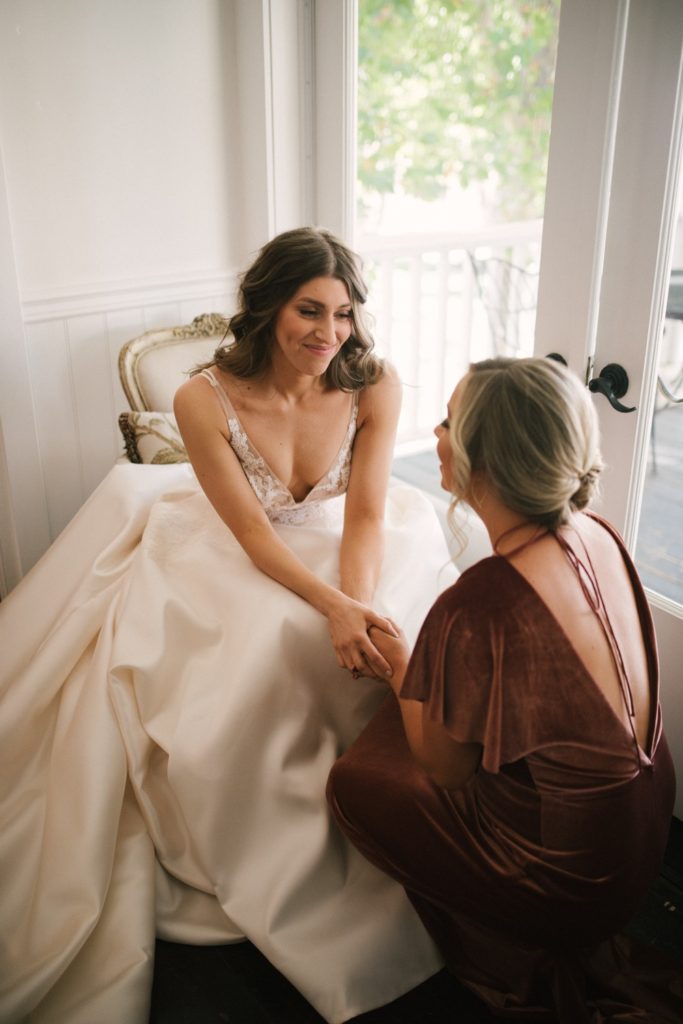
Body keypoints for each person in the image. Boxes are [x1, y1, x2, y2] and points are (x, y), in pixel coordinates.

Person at [0, 227, 455, 1024]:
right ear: (267, 306)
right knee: (266, 645)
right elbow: (248, 534)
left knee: (401, 625)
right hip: (237, 548)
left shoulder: (374, 384)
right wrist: (328, 610)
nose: (329, 333)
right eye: (309, 311)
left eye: (344, 314)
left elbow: (369, 512)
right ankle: (274, 838)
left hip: (352, 541)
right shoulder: (200, 396)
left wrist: (359, 608)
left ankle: (394, 808)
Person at [327, 356, 680, 1023]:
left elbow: (443, 768)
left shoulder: (483, 600)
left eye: (447, 421)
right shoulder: (598, 532)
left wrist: (402, 663)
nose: (433, 431)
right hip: (645, 836)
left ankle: (508, 950)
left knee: (359, 777)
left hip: (570, 884)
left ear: (478, 456)